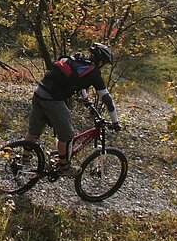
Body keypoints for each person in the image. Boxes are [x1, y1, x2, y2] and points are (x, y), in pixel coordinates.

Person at [25, 42, 120, 176]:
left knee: (34, 131)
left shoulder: (77, 59)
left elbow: (77, 81)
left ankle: (24, 160)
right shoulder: (94, 73)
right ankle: (64, 167)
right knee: (67, 135)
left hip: (39, 92)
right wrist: (115, 121)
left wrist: (86, 99)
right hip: (52, 99)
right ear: (101, 62)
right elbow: (106, 98)